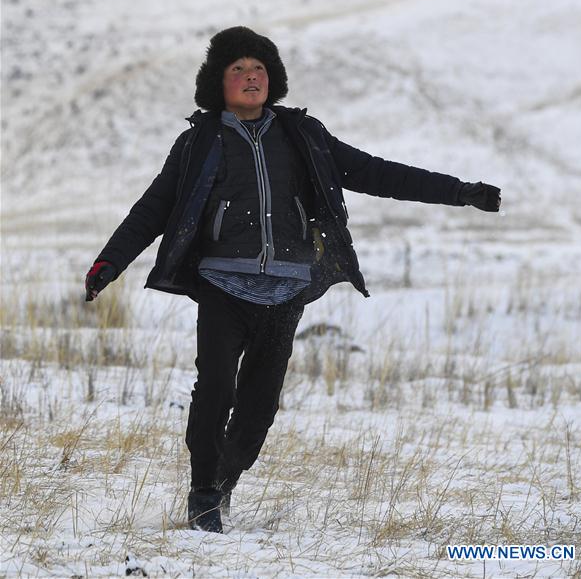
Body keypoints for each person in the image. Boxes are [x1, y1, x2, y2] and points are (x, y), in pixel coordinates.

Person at [85, 26, 501, 533]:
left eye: (258, 68)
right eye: (236, 69)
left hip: (286, 290)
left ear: (272, 79)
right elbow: (153, 209)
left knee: (258, 410)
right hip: (222, 285)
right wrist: (108, 264)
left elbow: (379, 173)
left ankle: (223, 480)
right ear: (218, 83)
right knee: (214, 388)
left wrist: (461, 193)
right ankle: (202, 496)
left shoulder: (303, 136)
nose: (249, 76)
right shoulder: (200, 141)